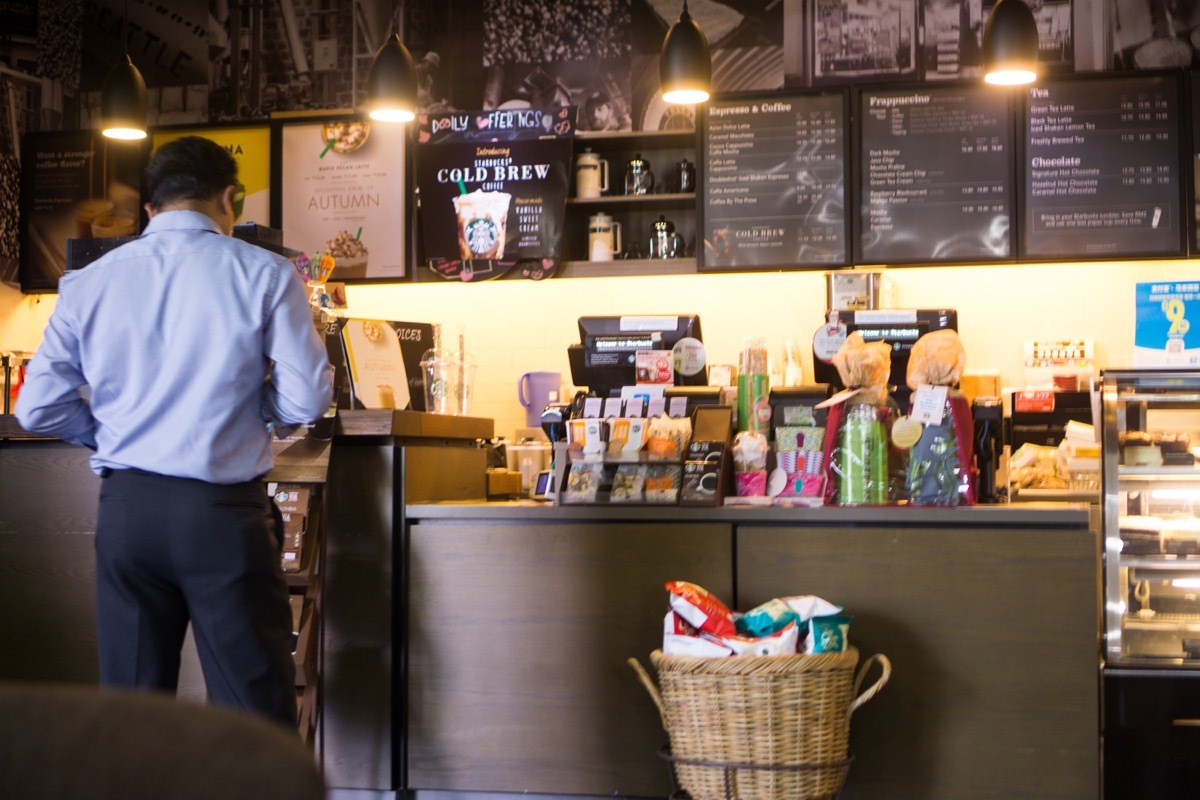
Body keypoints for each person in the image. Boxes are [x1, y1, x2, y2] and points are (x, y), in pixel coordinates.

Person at [16, 136, 334, 728]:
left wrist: (109, 433)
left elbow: (37, 408)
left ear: (149, 209)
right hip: (220, 516)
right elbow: (308, 397)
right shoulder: (265, 273)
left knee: (133, 719)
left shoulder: (89, 280)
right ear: (228, 198)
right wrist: (247, 406)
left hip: (126, 511)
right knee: (251, 718)